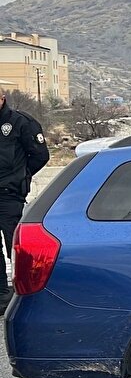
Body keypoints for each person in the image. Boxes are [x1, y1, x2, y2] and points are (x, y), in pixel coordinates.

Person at [0, 92, 50, 307]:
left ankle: (25, 293)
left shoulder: (21, 122)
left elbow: (40, 155)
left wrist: (20, 176)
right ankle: (2, 294)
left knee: (15, 246)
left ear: (2, 98)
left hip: (9, 194)